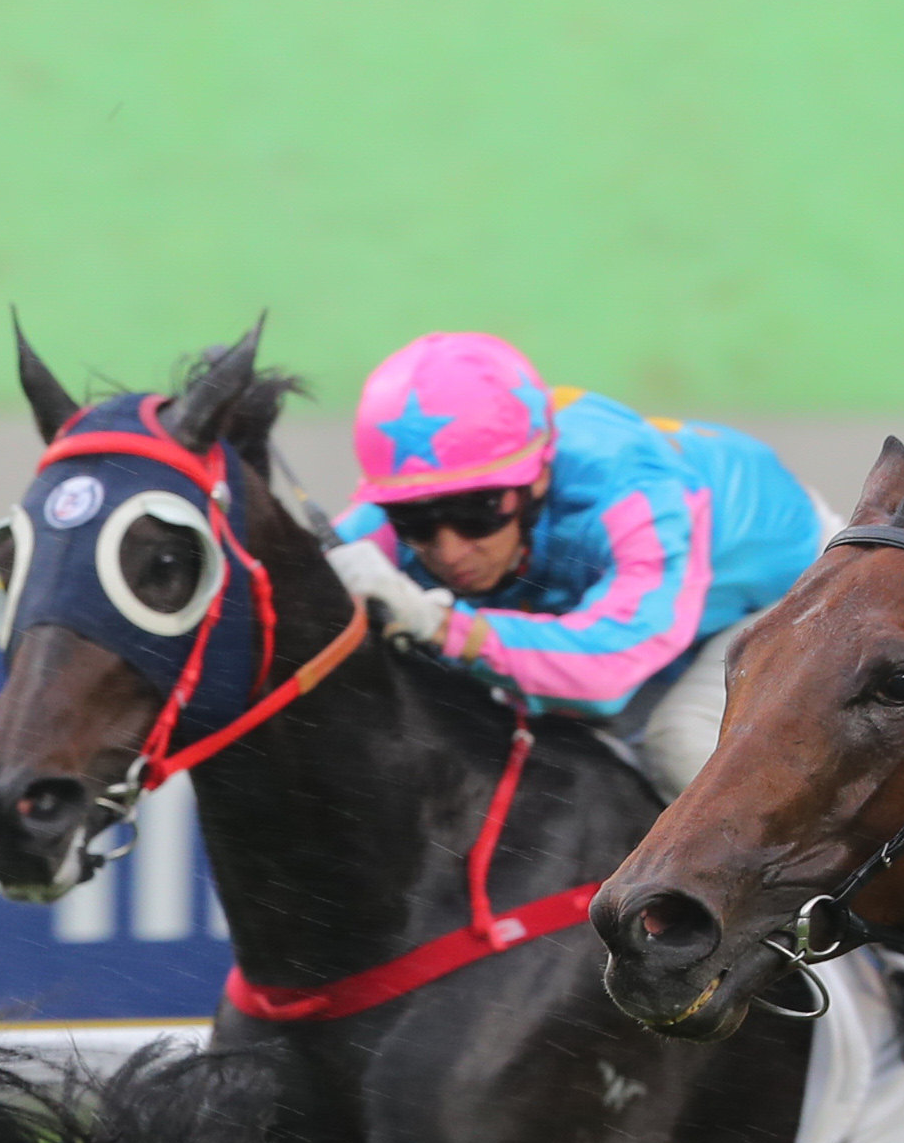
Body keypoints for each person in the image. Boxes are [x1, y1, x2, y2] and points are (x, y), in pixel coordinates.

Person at [322, 330, 824, 797]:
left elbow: (607, 674)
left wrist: (446, 627)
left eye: (477, 512)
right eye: (415, 520)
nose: (449, 551)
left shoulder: (634, 492)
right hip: (651, 613)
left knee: (678, 744)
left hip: (793, 592)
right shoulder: (434, 491)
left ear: (537, 477)